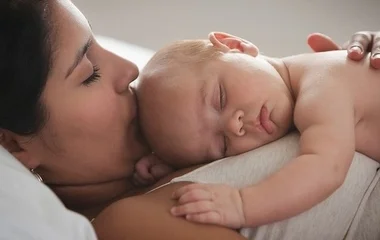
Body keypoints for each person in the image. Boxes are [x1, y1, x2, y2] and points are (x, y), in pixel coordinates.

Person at [0, 0, 379, 239]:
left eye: (100, 41)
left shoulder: (202, 116)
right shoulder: (130, 224)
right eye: (89, 73)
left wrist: (350, 66)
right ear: (14, 145)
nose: (130, 69)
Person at [135, 31, 380, 228]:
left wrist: (243, 205)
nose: (235, 125)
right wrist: (173, 164)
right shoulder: (301, 81)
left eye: (221, 99)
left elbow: (327, 168)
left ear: (236, 46)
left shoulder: (319, 88)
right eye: (224, 145)